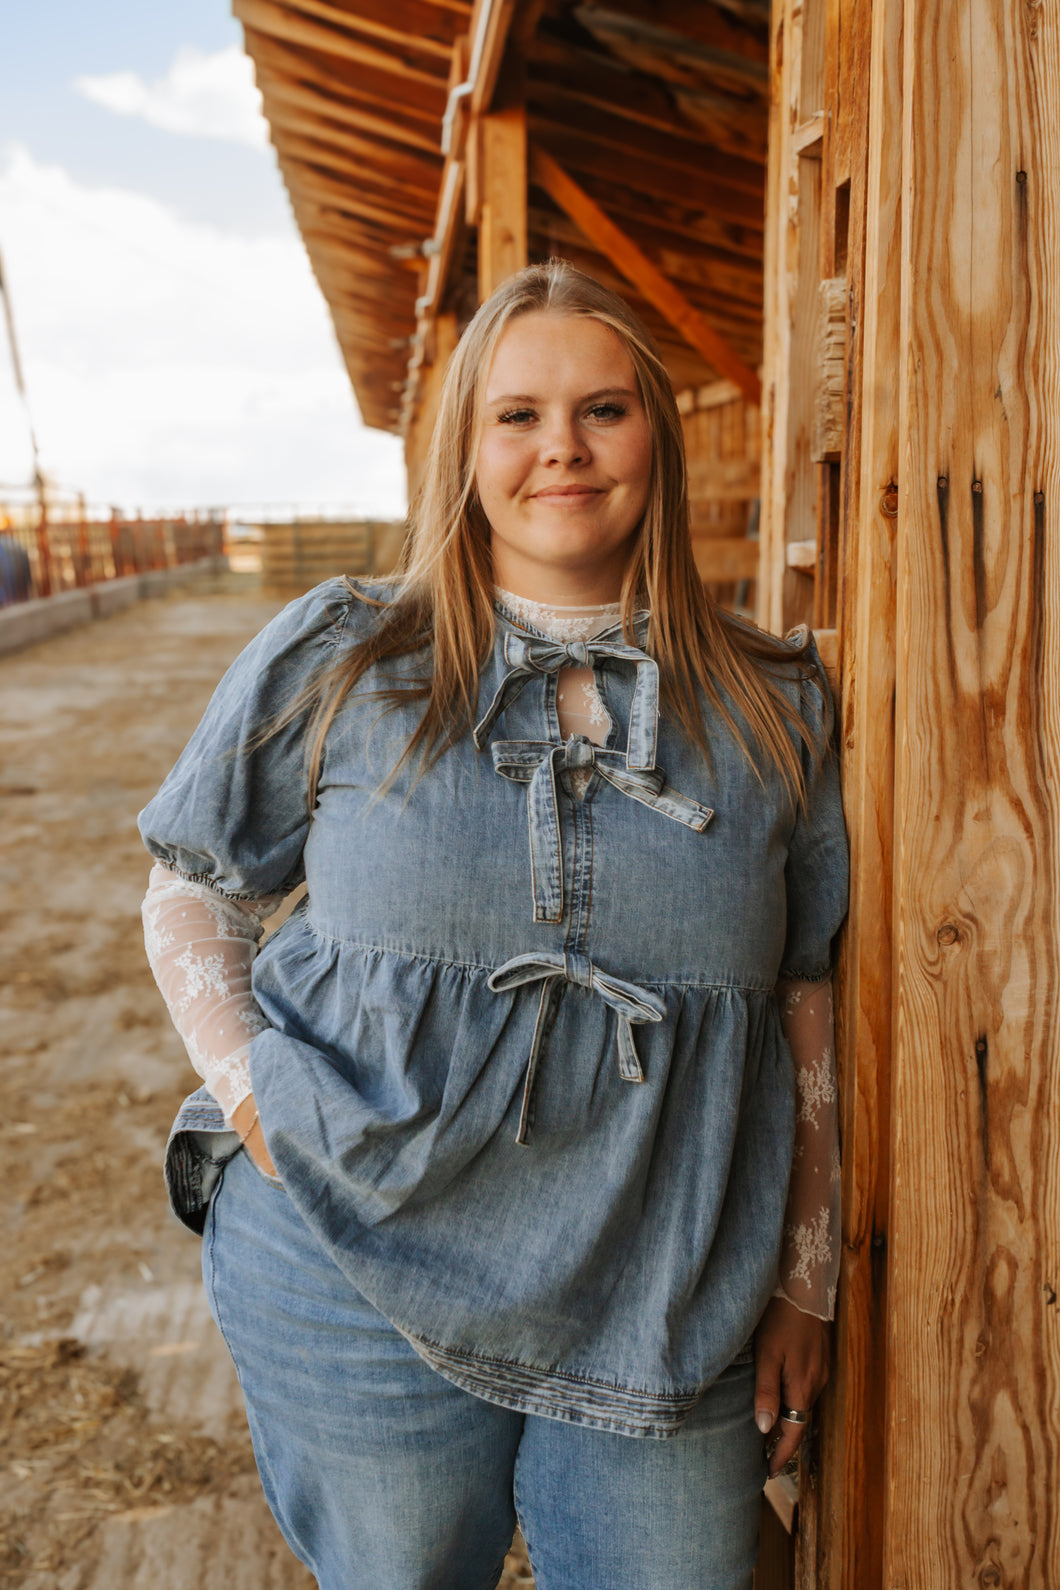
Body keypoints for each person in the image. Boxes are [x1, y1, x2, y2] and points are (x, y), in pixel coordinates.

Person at [139, 260, 848, 1590]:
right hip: (351, 1243)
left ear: (661, 441)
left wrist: (804, 1272)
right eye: (517, 416)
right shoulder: (349, 655)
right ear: (465, 449)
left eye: (604, 410)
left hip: (668, 1278)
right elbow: (192, 884)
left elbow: (804, 996)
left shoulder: (775, 705)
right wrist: (252, 1104)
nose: (562, 449)